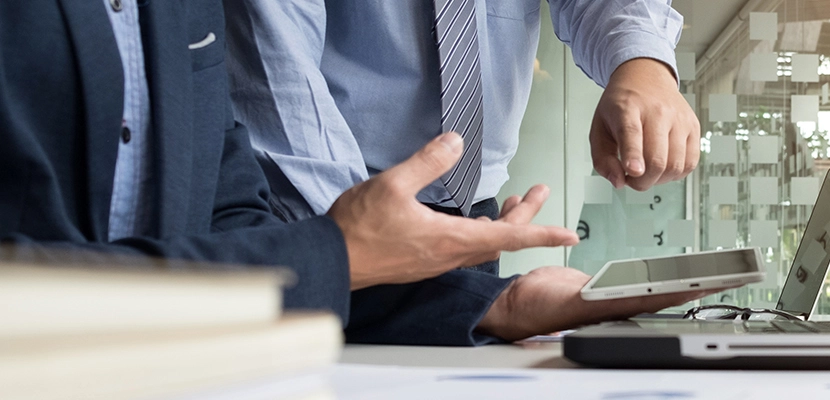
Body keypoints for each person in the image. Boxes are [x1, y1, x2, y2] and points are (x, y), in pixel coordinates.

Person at [0, 0, 711, 346]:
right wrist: (350, 251)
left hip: (408, 246)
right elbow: (279, 108)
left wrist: (489, 303)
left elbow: (221, 218)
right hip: (328, 201)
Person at [223, 0, 699, 257]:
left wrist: (643, 63)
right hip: (322, 208)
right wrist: (345, 244)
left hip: (476, 217)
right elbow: (275, 61)